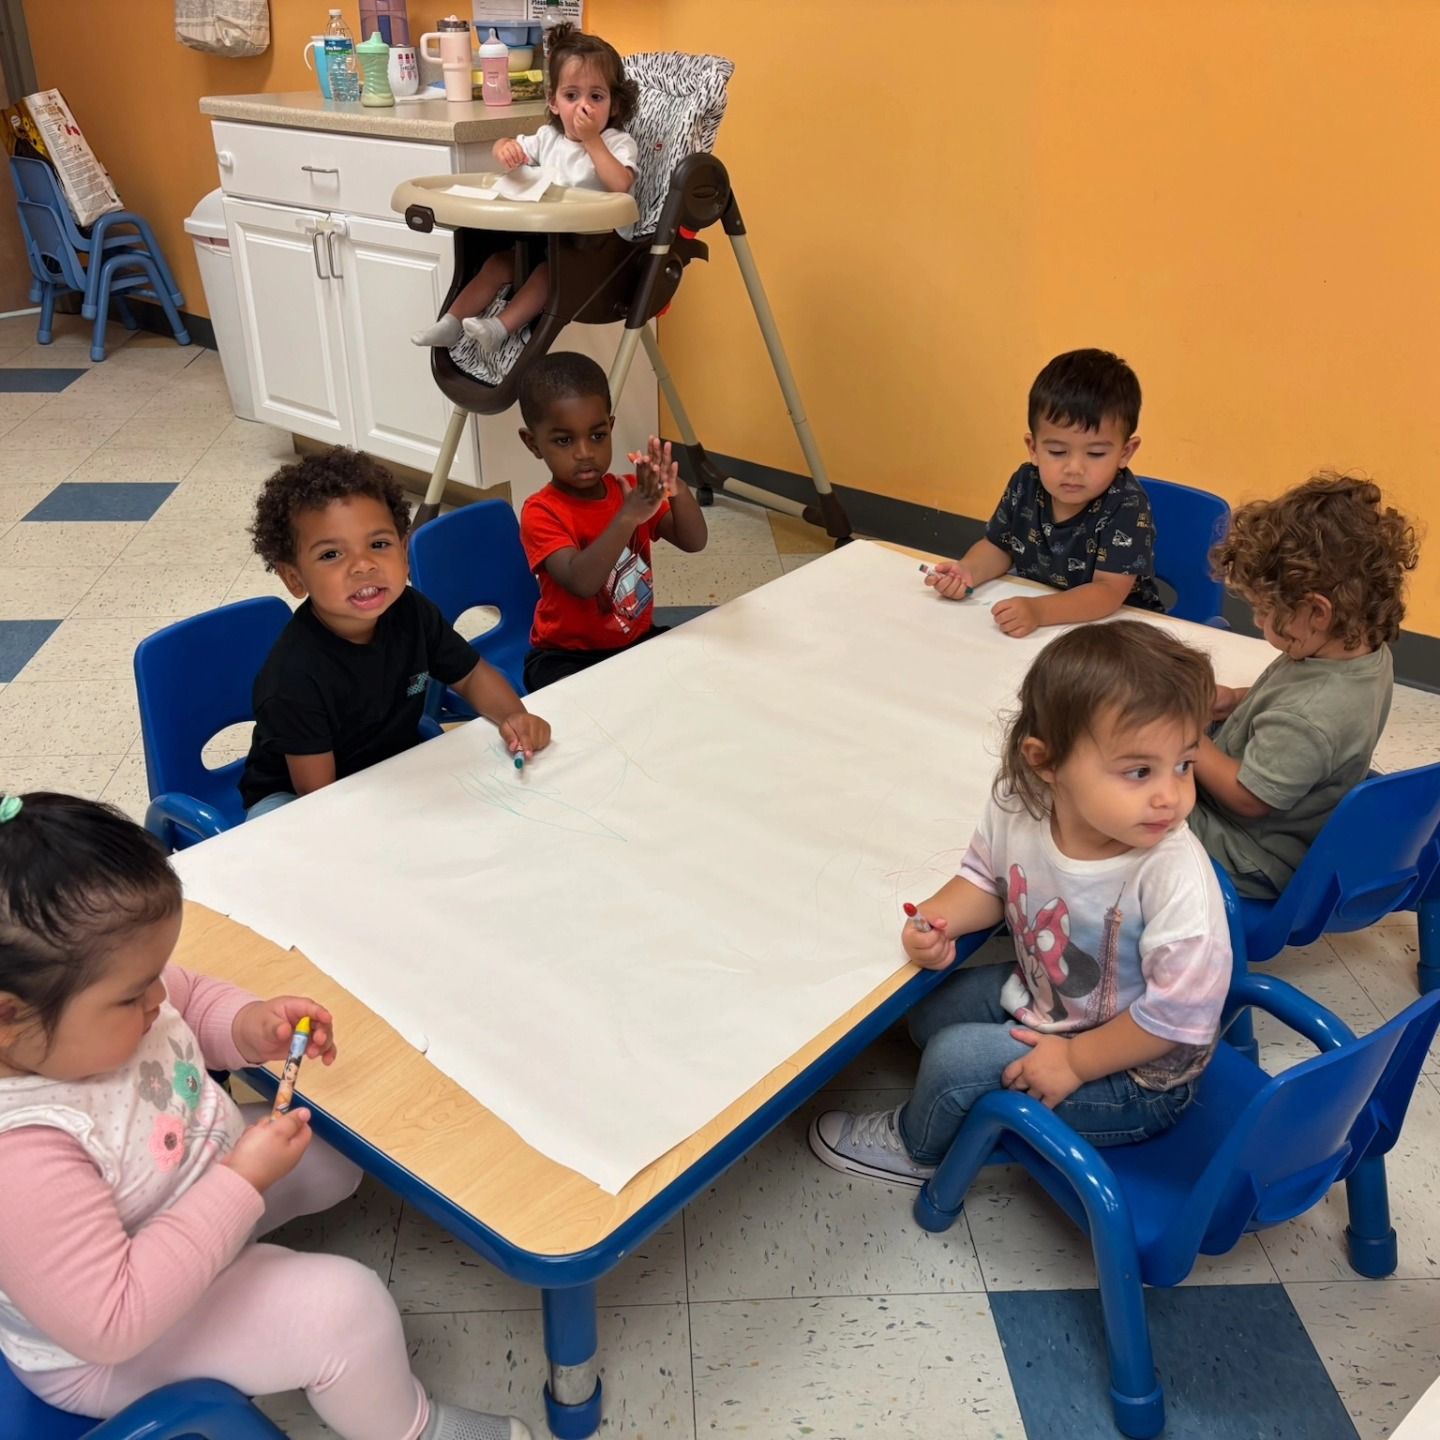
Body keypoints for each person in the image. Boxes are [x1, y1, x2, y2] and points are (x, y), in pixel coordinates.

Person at [0, 792, 530, 1440]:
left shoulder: (102, 1004)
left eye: (156, 973)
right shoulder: (20, 1159)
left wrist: (253, 1026)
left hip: (181, 1194)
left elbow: (190, 1001)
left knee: (341, 1152)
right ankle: (411, 1428)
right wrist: (240, 1184)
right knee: (347, 1309)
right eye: (136, 995)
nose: (159, 998)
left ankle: (252, 1260)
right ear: (7, 1018)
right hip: (115, 1343)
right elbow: (114, 1320)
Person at [809, 621, 1230, 1186]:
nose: (1171, 795)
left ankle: (918, 1148)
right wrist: (938, 921)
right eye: (1139, 771)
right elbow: (987, 880)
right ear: (1045, 763)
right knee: (929, 1013)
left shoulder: (1175, 878)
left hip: (1137, 1078)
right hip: (1057, 999)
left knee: (954, 1060)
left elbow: (1176, 1024)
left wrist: (1074, 1062)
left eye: (1184, 764)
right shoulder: (1020, 803)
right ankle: (966, 1088)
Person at [240, 448, 551, 819]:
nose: (363, 565)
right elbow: (318, 799)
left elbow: (470, 675)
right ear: (294, 578)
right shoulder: (293, 676)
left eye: (379, 544)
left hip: (382, 765)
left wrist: (513, 717)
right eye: (330, 555)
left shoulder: (412, 612)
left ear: (404, 552)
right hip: (293, 798)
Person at [1190, 473, 1420, 898]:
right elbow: (1287, 712)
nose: (1257, 622)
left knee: (1120, 802)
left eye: (1263, 610)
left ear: (1317, 612)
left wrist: (1184, 736)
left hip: (1248, 852)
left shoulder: (1312, 713)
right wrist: (1235, 700)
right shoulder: (1357, 652)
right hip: (1273, 829)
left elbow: (1248, 798)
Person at [411, 24, 639, 354]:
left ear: (614, 106)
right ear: (554, 102)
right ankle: (450, 323)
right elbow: (510, 149)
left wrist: (592, 140)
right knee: (498, 264)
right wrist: (505, 149)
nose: (583, 107)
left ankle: (499, 328)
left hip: (595, 252)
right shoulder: (547, 138)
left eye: (597, 96)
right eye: (571, 95)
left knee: (549, 275)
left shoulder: (617, 143)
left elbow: (621, 184)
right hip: (546, 239)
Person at [925, 349, 1164, 638]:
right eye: (1057, 451)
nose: (1074, 468)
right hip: (1037, 620)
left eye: (1096, 453)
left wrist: (1039, 612)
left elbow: (1108, 592)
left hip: (1113, 633)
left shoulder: (1126, 504)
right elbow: (1000, 546)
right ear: (1033, 448)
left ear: (1125, 452)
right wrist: (967, 571)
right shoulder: (1026, 481)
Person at [517, 352, 708, 692]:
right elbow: (581, 581)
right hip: (566, 657)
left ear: (611, 427)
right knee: (575, 704)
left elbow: (693, 541)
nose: (585, 452)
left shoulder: (630, 492)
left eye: (597, 435)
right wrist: (629, 516)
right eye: (564, 440)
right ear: (533, 443)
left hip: (634, 640)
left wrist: (675, 486)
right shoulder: (541, 511)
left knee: (693, 672)